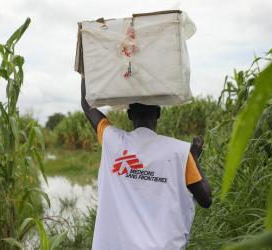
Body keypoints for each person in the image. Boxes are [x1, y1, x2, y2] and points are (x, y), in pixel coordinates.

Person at [81, 77, 212, 250]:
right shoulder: (180, 153)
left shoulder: (111, 140)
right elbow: (206, 199)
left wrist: (85, 67)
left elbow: (86, 104)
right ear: (158, 113)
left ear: (129, 114)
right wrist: (194, 157)